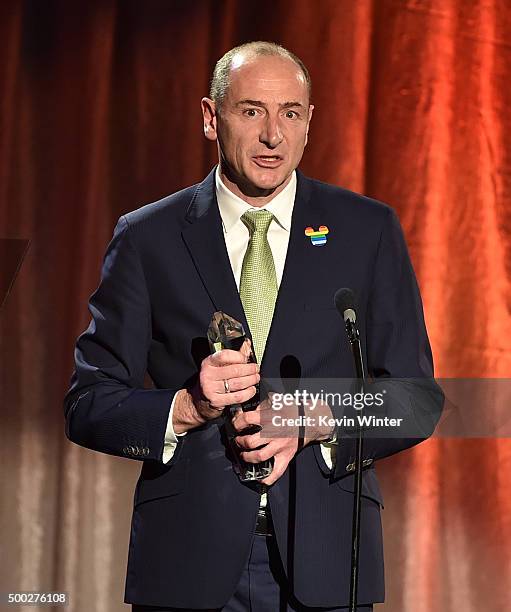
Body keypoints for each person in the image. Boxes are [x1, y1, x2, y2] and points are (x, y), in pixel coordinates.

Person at [64, 41, 442, 611]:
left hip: (329, 565)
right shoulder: (148, 239)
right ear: (210, 119)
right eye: (251, 111)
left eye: (290, 112)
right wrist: (188, 406)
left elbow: (415, 400)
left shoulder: (368, 231)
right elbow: (87, 403)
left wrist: (307, 419)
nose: (273, 135)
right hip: (187, 566)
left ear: (310, 123)